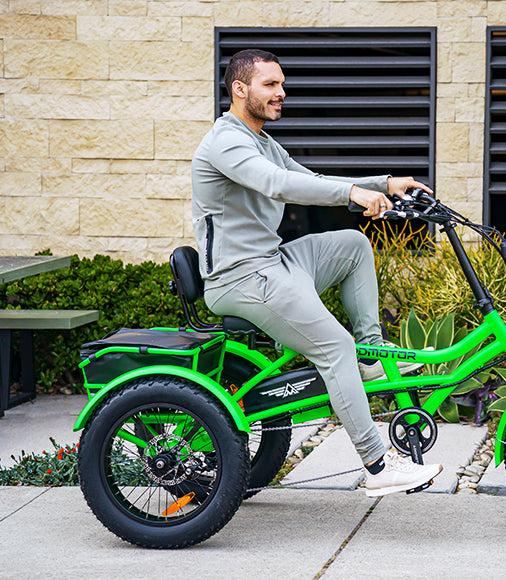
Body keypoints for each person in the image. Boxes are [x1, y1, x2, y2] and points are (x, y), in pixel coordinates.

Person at [191, 49, 442, 497]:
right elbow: (279, 184)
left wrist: (384, 185)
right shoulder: (226, 141)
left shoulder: (263, 141)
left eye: (282, 84)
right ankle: (378, 467)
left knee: (351, 244)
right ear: (240, 89)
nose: (281, 93)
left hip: (273, 261)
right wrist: (353, 193)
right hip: (241, 277)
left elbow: (307, 176)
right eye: (270, 84)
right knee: (333, 347)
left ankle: (372, 356)